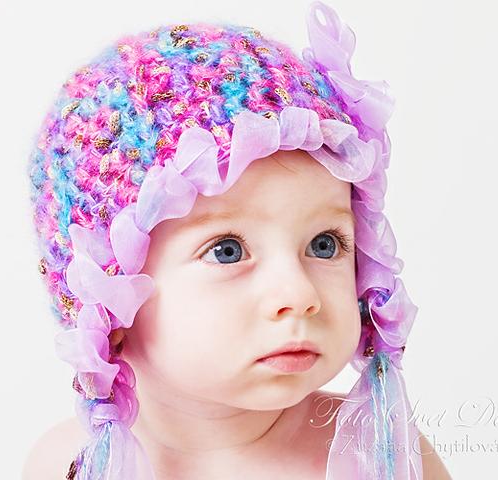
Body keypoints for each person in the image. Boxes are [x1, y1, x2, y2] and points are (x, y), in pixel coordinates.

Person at [24, 2, 451, 478]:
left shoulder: (376, 454)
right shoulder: (68, 464)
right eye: (227, 251)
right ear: (109, 309)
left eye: (325, 244)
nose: (300, 295)